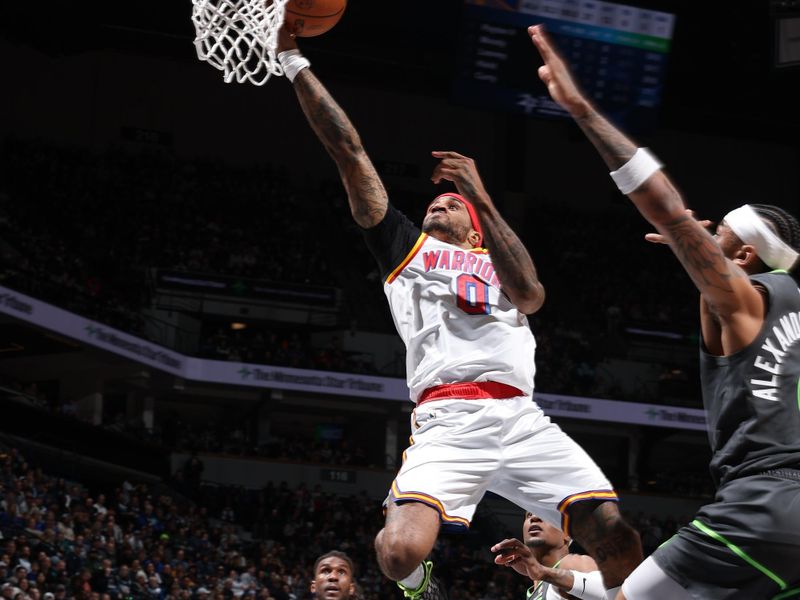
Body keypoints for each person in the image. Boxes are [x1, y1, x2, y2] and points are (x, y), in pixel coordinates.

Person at [276, 24, 642, 600]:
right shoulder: (408, 251)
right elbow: (349, 151)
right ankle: (419, 580)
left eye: (451, 202)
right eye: (433, 202)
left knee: (620, 546)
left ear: (476, 229)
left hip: (521, 417)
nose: (437, 203)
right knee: (398, 555)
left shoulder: (499, 257)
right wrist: (295, 61)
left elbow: (530, 296)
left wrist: (482, 194)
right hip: (446, 419)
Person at [526, 23, 800, 600]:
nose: (706, 230)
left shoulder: (746, 299)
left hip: (760, 508)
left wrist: (581, 111)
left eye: (718, 231)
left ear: (745, 255)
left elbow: (666, 209)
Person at [492, 511, 605, 599]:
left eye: (546, 514)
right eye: (529, 514)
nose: (534, 517)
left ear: (567, 534)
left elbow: (615, 592)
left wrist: (543, 573)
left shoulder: (572, 563)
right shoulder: (537, 586)